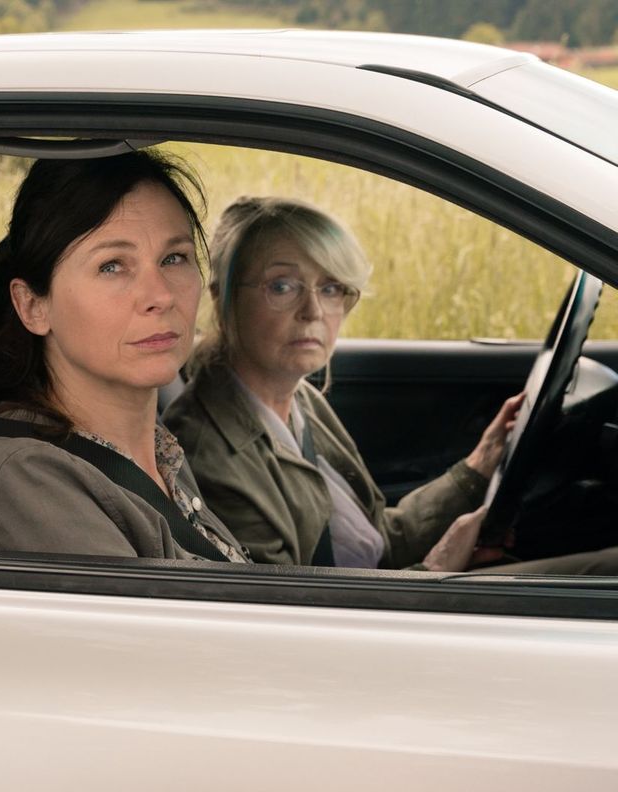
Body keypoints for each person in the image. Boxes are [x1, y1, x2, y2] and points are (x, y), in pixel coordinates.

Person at [166, 196, 617, 574]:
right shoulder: (208, 455)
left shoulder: (299, 399)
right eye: (282, 286)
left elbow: (376, 539)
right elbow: (294, 617)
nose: (314, 312)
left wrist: (478, 466)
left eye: (331, 288)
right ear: (223, 296)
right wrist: (437, 566)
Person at [0, 151, 248, 562]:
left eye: (174, 258)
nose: (161, 296)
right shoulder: (29, 480)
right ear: (32, 306)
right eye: (112, 266)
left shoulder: (155, 454)